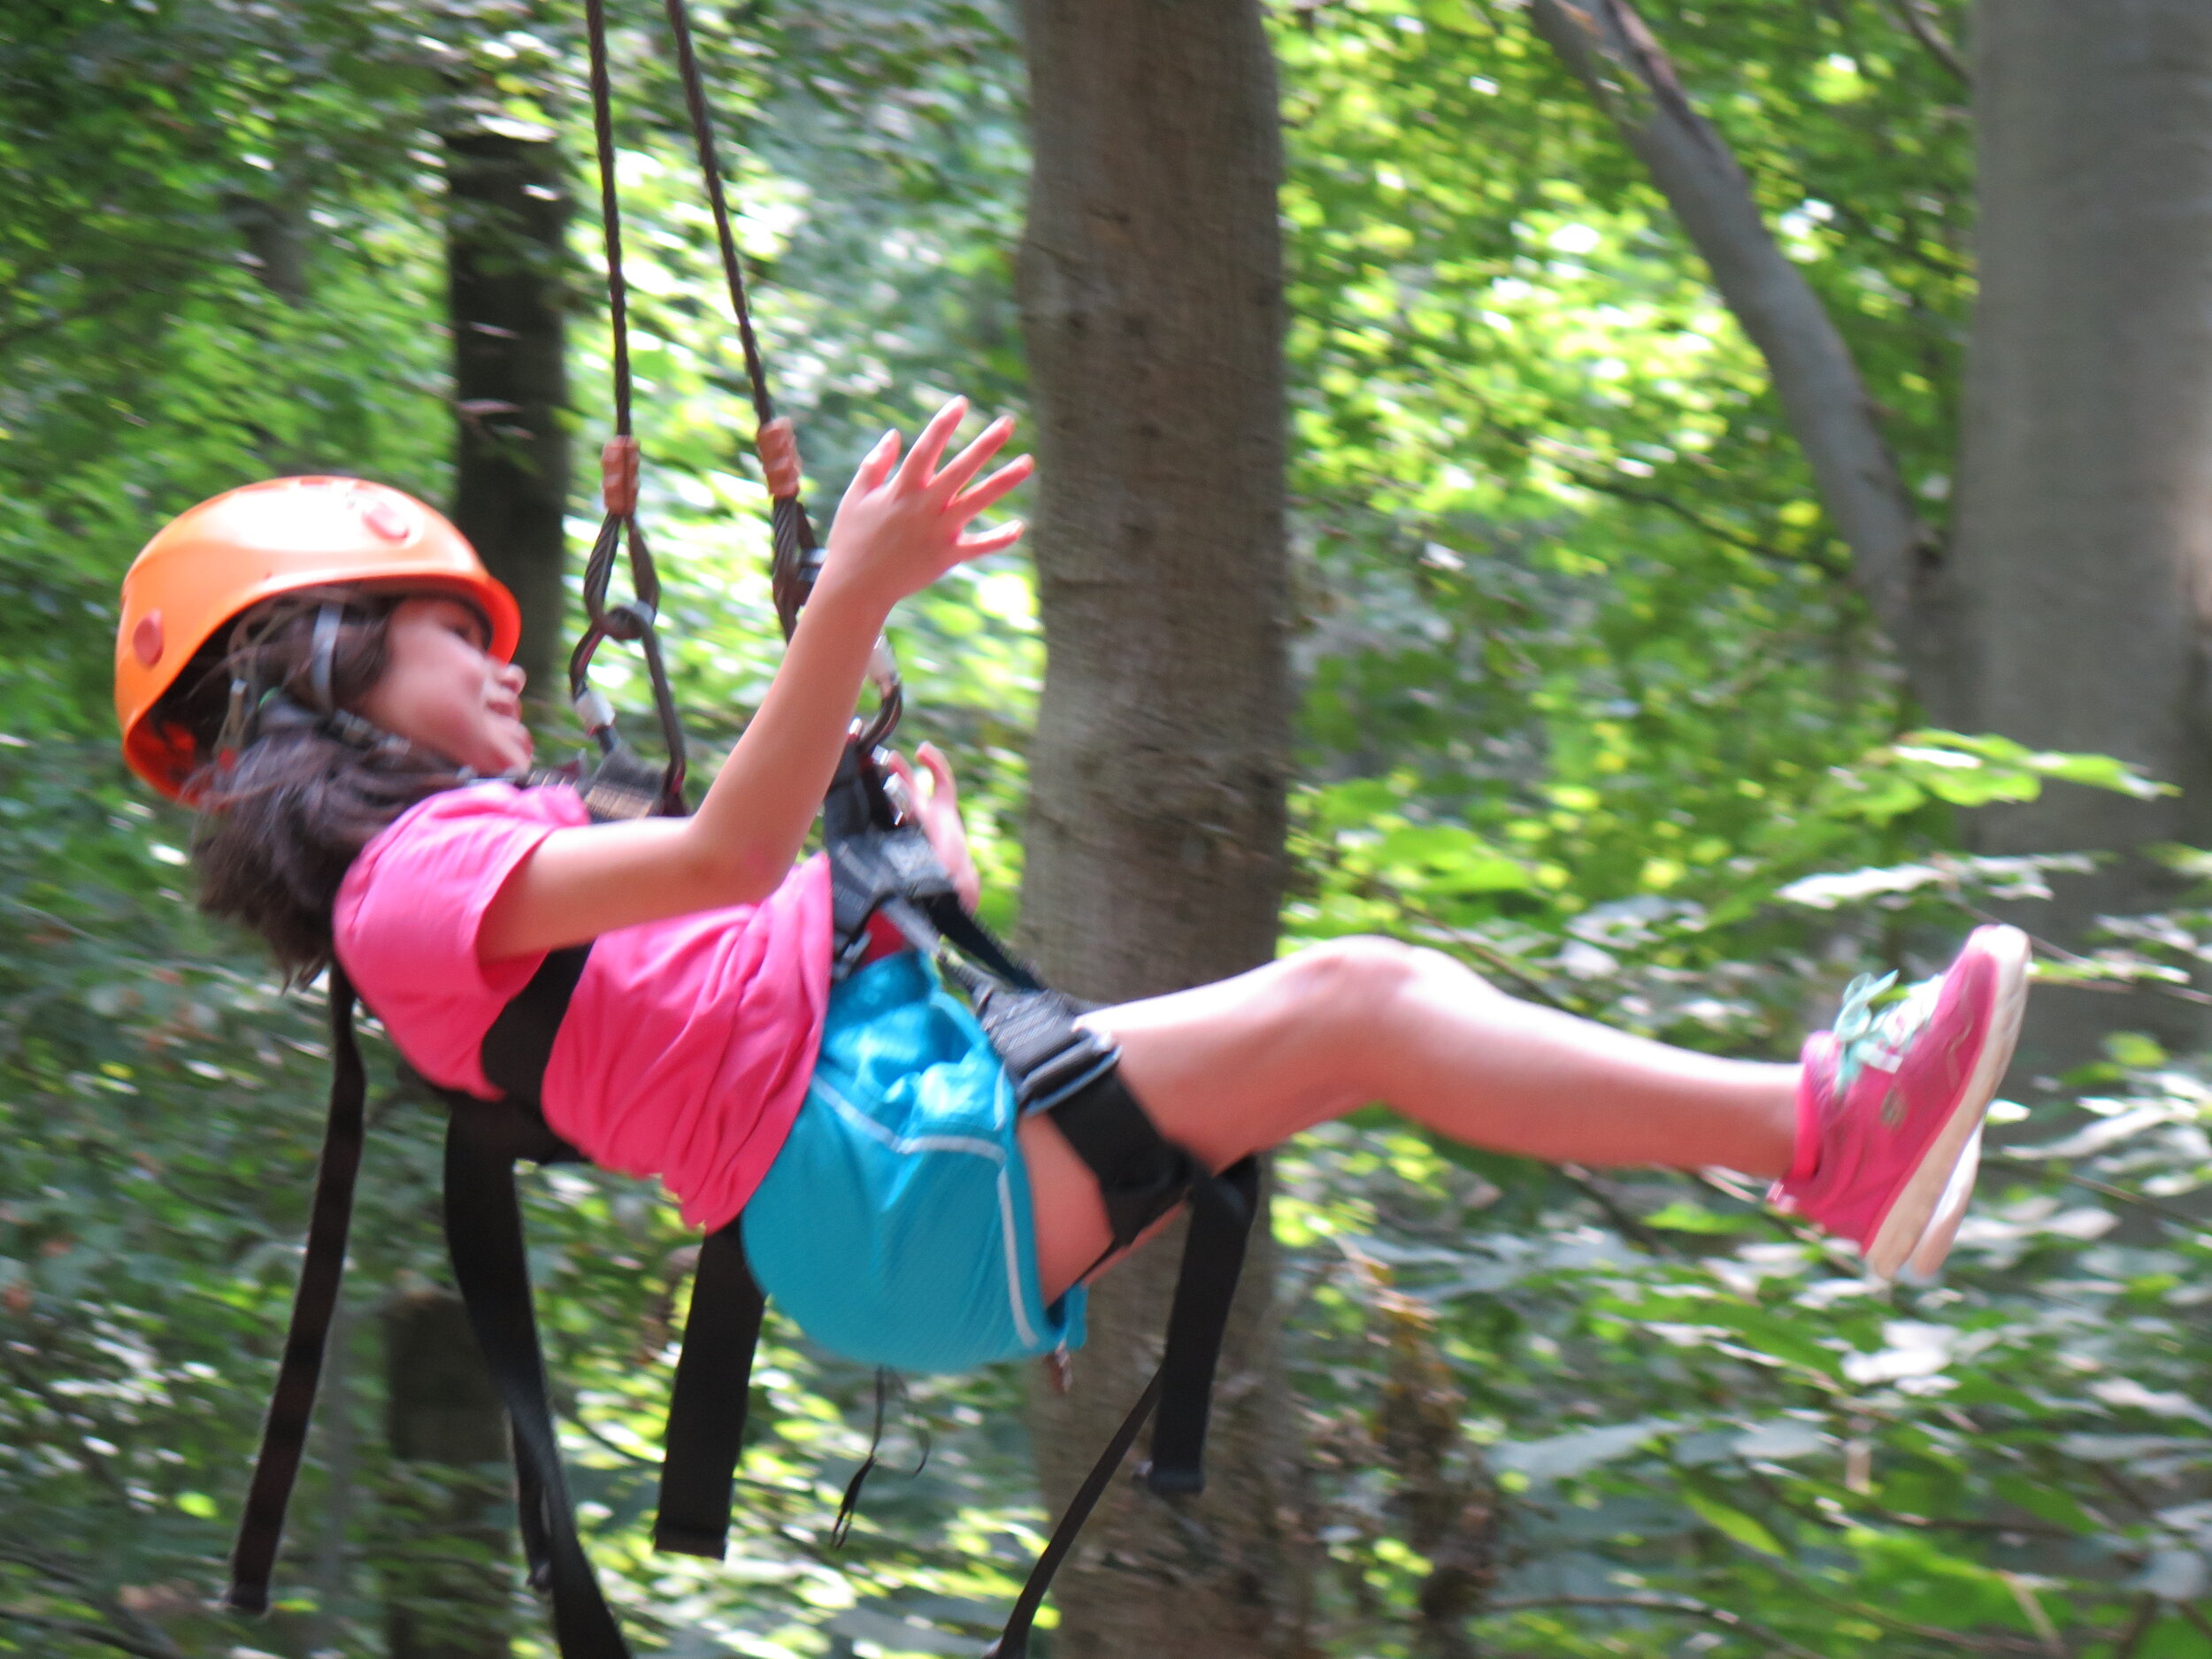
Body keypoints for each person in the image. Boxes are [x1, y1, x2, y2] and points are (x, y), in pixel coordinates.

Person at [114, 399, 2029, 1377]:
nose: (504, 665)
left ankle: (1812, 1138)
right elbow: (723, 854)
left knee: (1361, 997)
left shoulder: (459, 865)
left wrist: (908, 871)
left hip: (875, 1147)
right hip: (862, 1174)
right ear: (315, 660)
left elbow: (739, 932)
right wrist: (849, 591)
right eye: (459, 636)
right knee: (1354, 1000)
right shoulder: (410, 891)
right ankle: (1817, 1135)